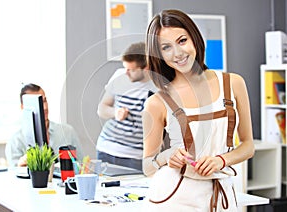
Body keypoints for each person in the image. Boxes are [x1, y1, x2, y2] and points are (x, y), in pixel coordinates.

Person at [142, 9, 255, 211]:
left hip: (223, 196)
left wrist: (222, 160)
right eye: (166, 47)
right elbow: (148, 165)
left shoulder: (233, 83)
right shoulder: (158, 102)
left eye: (182, 41)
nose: (177, 53)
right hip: (174, 197)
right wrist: (168, 156)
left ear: (194, 38)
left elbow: (248, 146)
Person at [96, 42, 157, 171]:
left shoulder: (159, 87)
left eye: (132, 70)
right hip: (106, 149)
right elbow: (102, 108)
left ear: (146, 67)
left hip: (135, 157)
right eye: (125, 68)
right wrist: (115, 112)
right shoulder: (119, 76)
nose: (126, 73)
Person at [5, 83, 83, 167]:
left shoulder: (67, 132)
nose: (45, 107)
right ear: (23, 107)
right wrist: (21, 166)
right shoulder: (15, 141)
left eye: (45, 100)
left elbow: (82, 166)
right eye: (38, 103)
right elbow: (14, 175)